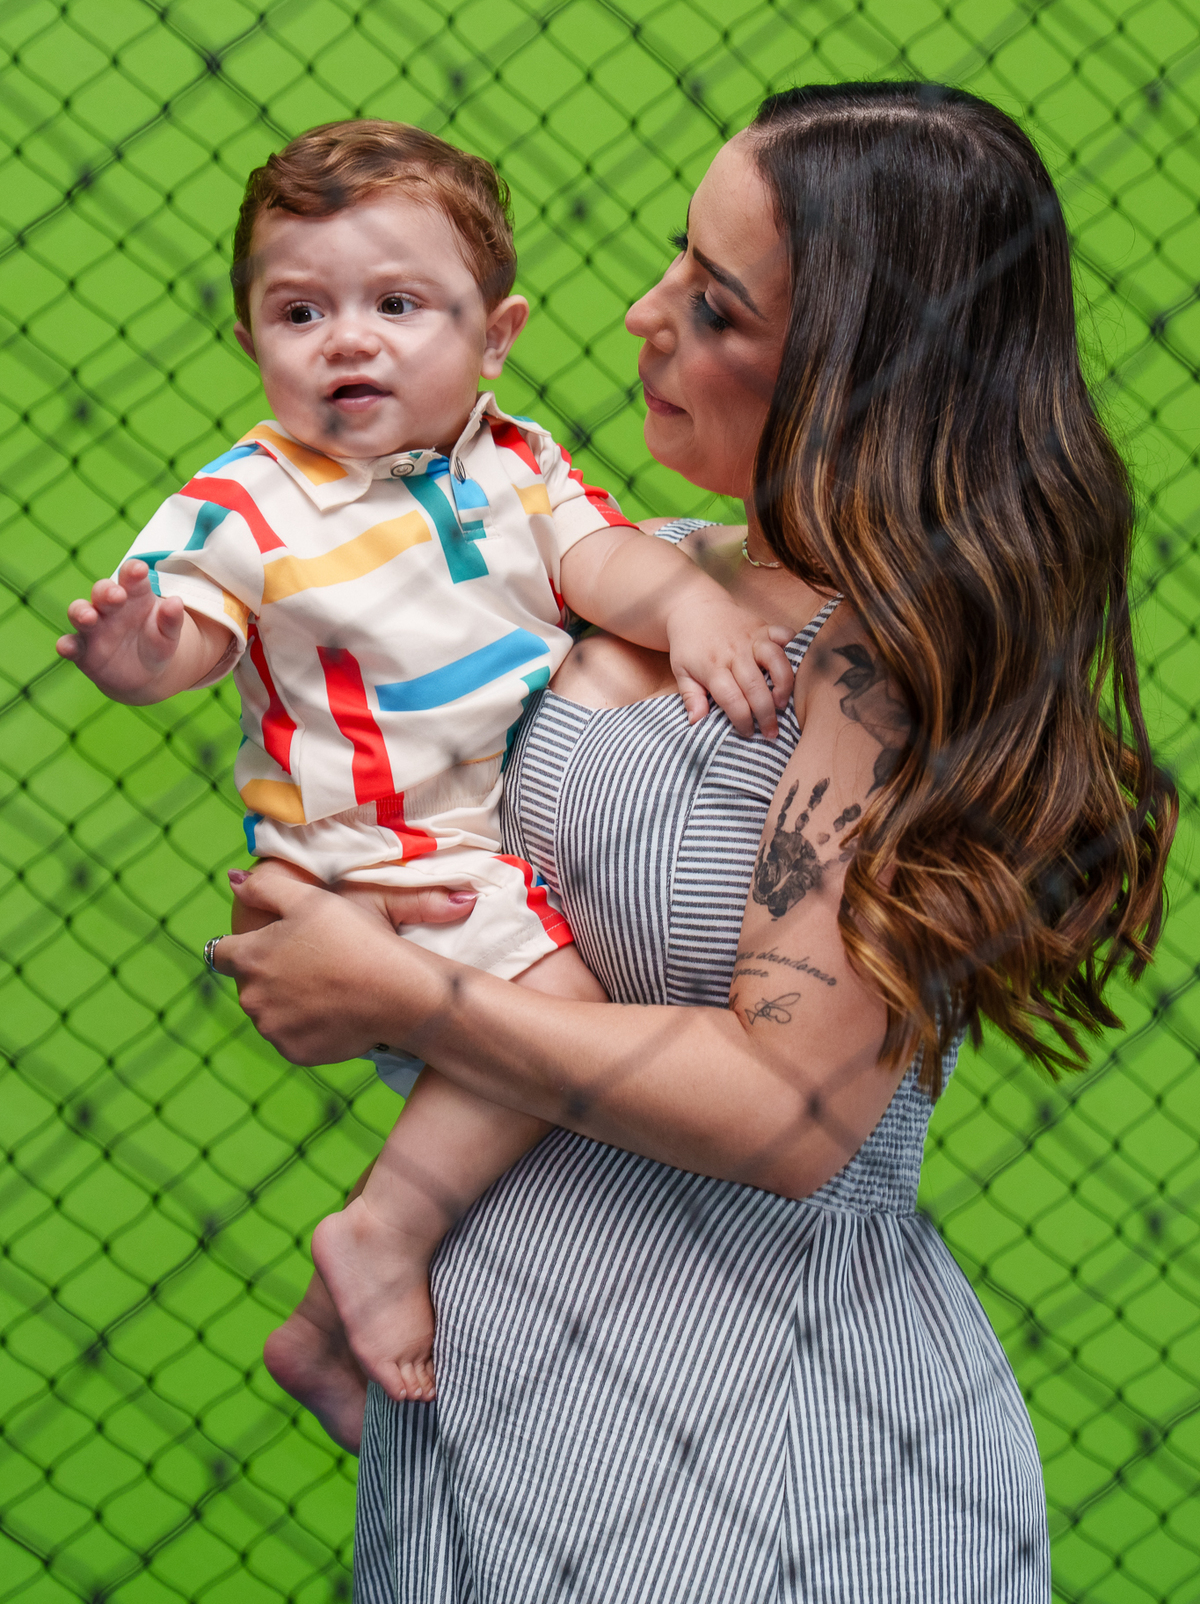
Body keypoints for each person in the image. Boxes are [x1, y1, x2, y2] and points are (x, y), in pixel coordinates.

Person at [215, 82, 1175, 1604]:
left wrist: (395, 995)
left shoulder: (886, 668)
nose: (644, 316)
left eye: (717, 307)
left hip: (757, 1454)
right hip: (483, 1396)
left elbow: (794, 1112)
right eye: (679, 258)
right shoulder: (630, 562)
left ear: (858, 373)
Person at [55, 119, 797, 1424]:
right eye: (300, 312)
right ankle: (379, 1236)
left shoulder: (517, 461)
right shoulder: (248, 501)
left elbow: (598, 561)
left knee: (506, 1042)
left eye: (397, 305)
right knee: (559, 988)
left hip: (478, 830)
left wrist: (687, 605)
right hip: (371, 842)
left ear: (495, 336)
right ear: (251, 341)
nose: (348, 341)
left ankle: (316, 1333)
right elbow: (192, 632)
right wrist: (142, 652)